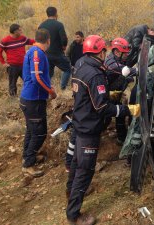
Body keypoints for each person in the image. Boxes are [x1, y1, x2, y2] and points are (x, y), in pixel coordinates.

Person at [66, 35, 140, 225]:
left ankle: (70, 190)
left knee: (76, 162)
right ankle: (74, 215)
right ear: (99, 51)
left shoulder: (81, 64)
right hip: (89, 127)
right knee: (85, 170)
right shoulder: (96, 74)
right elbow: (102, 108)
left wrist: (106, 93)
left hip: (80, 120)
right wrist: (127, 109)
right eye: (103, 50)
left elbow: (87, 93)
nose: (104, 53)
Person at [20, 28, 57, 177]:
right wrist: (50, 91)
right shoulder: (37, 53)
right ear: (48, 40)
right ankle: (28, 165)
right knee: (40, 133)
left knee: (31, 131)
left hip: (29, 99)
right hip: (33, 100)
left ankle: (27, 157)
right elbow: (37, 78)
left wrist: (48, 86)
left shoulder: (32, 51)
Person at [104, 37, 136, 145]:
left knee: (121, 114)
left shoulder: (120, 59)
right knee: (106, 118)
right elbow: (121, 70)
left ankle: (121, 138)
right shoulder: (110, 62)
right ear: (117, 52)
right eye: (124, 52)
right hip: (108, 94)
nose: (127, 55)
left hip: (117, 91)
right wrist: (138, 70)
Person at [0, 24, 35, 96]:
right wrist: (3, 63)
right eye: (20, 30)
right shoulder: (5, 41)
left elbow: (32, 41)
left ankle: (30, 95)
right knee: (12, 83)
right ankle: (13, 99)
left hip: (24, 65)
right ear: (15, 32)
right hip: (12, 66)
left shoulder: (22, 38)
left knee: (29, 80)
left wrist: (41, 42)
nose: (21, 31)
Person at [64, 31, 84, 172]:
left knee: (76, 135)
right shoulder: (72, 46)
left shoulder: (84, 49)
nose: (76, 39)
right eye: (75, 36)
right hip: (81, 112)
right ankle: (70, 163)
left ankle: (70, 163)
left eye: (78, 36)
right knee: (76, 135)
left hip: (80, 109)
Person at [38, 6, 71, 90]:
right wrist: (64, 46)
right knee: (67, 69)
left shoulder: (41, 26)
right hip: (57, 53)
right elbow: (64, 39)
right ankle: (62, 88)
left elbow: (38, 41)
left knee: (48, 74)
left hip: (45, 54)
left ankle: (47, 89)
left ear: (47, 14)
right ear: (56, 13)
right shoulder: (59, 24)